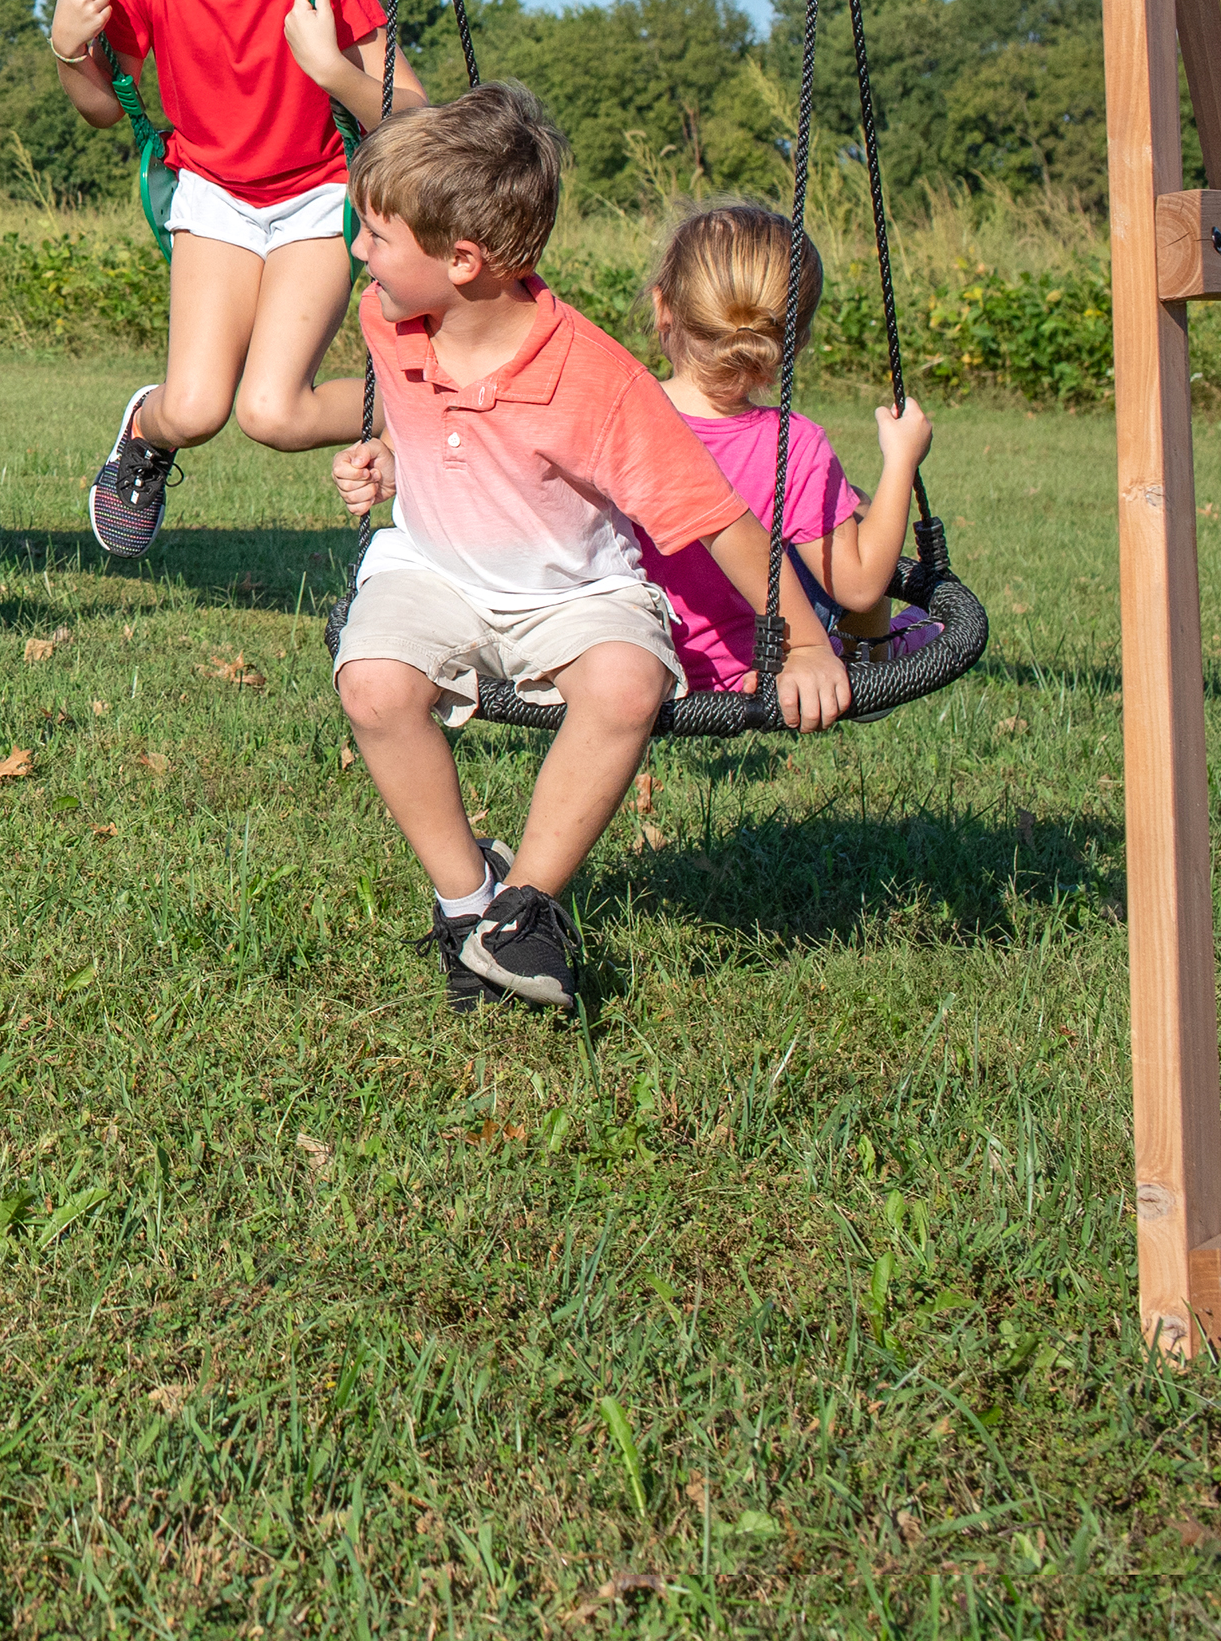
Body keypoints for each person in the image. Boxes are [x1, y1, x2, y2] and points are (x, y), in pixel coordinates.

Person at [327, 84, 850, 1014]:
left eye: (376, 234)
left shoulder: (597, 383)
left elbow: (720, 519)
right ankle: (466, 903)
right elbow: (438, 429)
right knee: (372, 684)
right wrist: (388, 462)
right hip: (434, 568)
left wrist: (806, 643)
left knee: (626, 685)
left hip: (572, 587)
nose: (359, 251)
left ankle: (525, 912)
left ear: (463, 259)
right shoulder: (387, 317)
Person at [50, 0, 417, 558]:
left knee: (272, 413)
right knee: (196, 409)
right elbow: (106, 110)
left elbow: (414, 112)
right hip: (212, 192)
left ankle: (434, 402)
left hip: (317, 196)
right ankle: (146, 434)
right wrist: (70, 53)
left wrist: (332, 74)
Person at [638, 201, 936, 692]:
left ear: (662, 307)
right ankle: (870, 656)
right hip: (767, 657)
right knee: (858, 509)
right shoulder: (791, 442)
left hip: (642, 654)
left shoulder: (624, 411)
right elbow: (860, 587)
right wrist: (902, 460)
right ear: (796, 340)